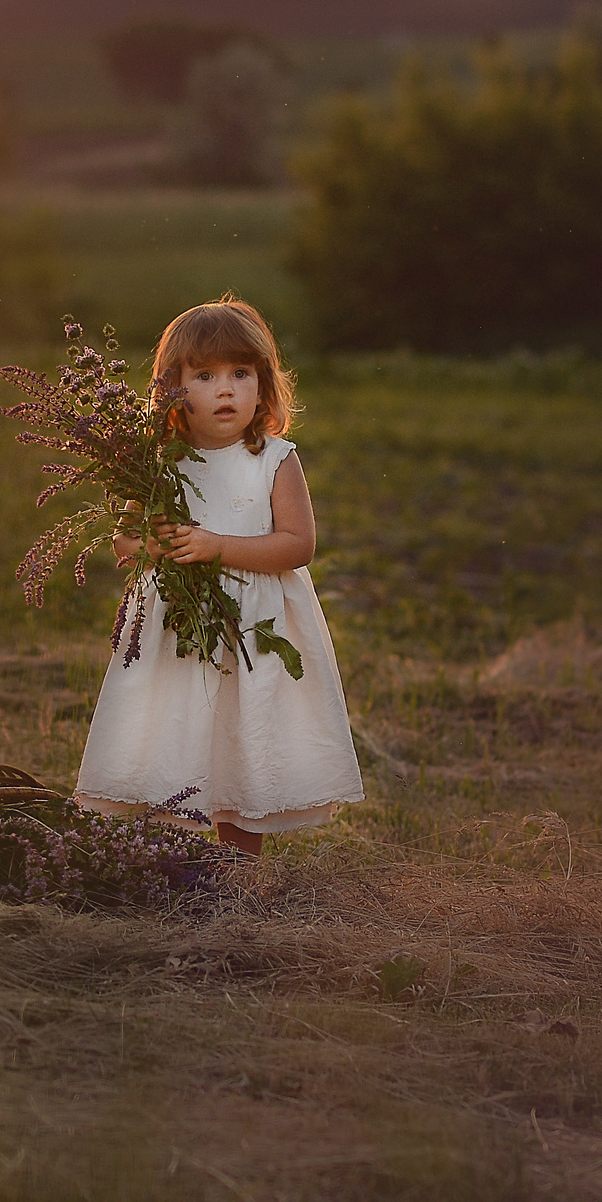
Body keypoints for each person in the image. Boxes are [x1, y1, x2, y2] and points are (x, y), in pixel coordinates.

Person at [72, 296, 363, 857]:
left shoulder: (273, 458)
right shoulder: (158, 460)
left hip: (255, 627)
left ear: (264, 385)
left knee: (244, 735)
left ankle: (235, 877)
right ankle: (167, 864)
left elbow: (297, 545)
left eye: (241, 373)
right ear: (173, 390)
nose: (226, 389)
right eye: (205, 376)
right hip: (178, 627)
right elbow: (126, 540)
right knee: (174, 729)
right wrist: (153, 544)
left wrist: (216, 547)